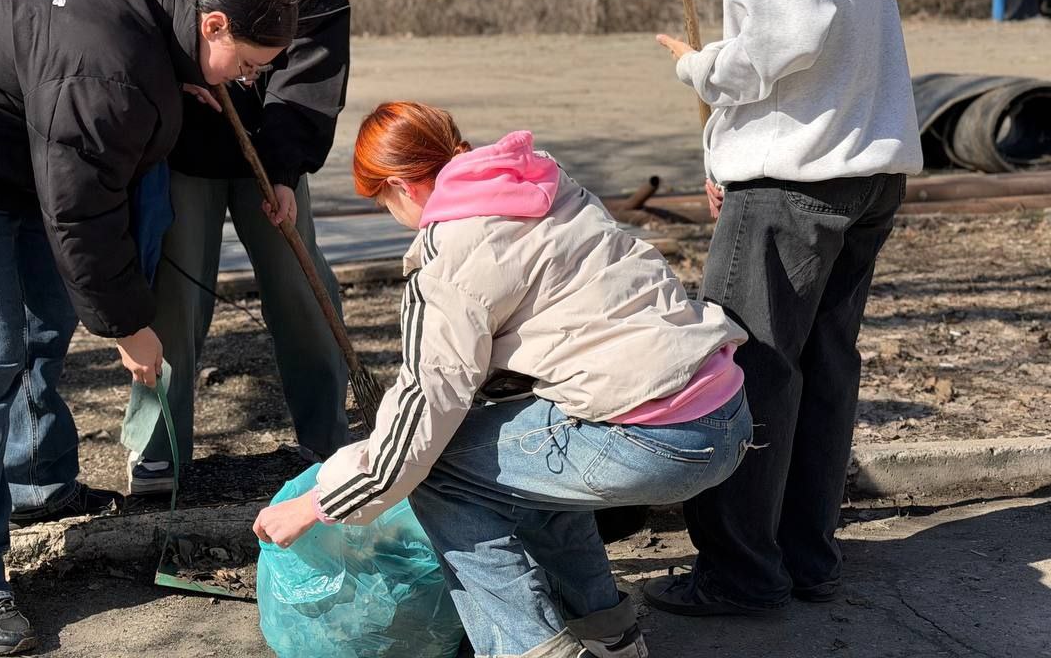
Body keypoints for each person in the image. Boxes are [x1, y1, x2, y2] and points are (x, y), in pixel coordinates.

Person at [0, 0, 297, 655]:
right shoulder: (105, 69)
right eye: (245, 65)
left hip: (16, 149)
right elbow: (82, 212)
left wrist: (182, 77)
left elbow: (87, 134)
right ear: (212, 22)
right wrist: (129, 327)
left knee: (43, 323)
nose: (244, 81)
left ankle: (35, 484)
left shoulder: (161, 2)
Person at [254, 102, 752, 658]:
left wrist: (318, 504)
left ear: (399, 186)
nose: (389, 214)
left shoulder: (448, 261)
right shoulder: (539, 185)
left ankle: (528, 647)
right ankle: (608, 635)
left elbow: (423, 420)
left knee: (439, 471)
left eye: (382, 202)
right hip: (725, 410)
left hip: (651, 438)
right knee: (518, 456)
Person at [645, 0, 923, 618]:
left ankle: (740, 572)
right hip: (867, 170)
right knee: (825, 368)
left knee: (746, 372)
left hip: (793, 181)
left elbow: (787, 37)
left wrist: (702, 68)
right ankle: (805, 557)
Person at [121, 0, 352, 494]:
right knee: (174, 297)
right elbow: (131, 30)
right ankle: (157, 446)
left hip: (271, 150)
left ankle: (327, 438)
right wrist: (177, 79)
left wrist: (282, 167)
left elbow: (314, 63)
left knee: (301, 289)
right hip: (181, 151)